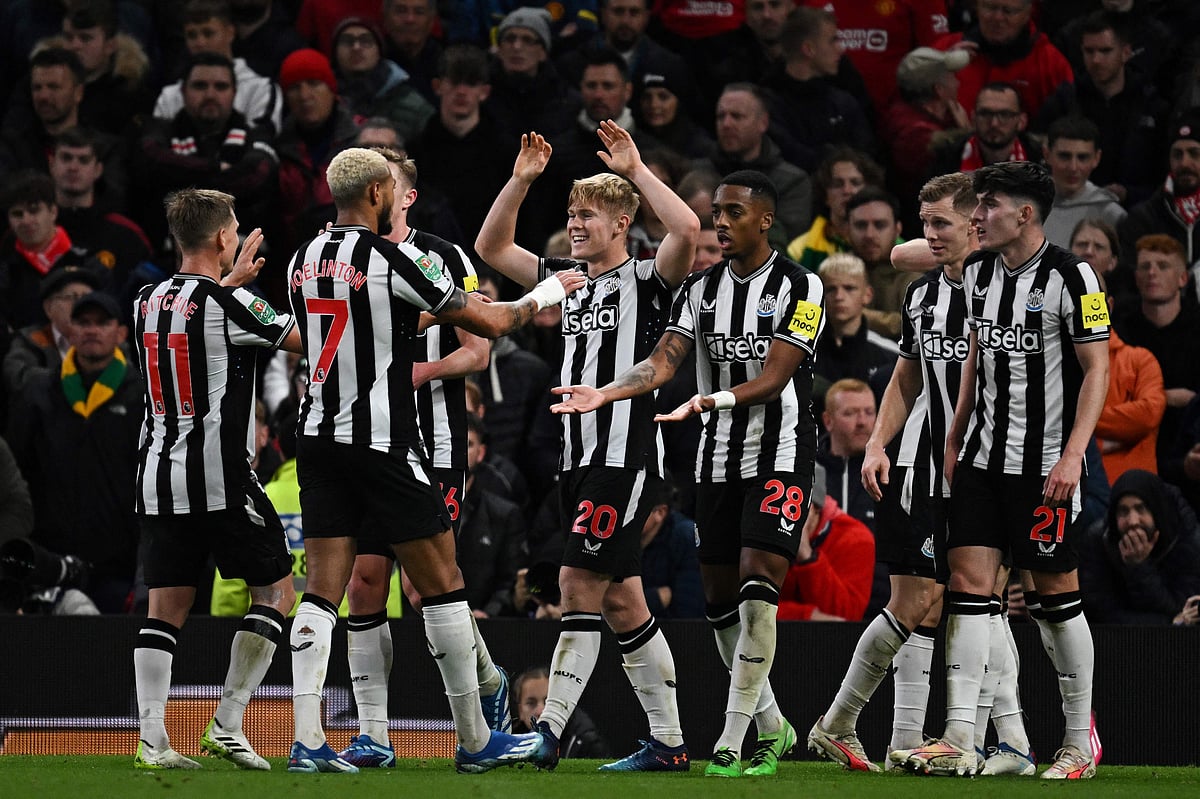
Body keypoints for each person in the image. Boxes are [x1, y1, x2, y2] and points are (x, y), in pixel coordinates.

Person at [285, 147, 583, 774]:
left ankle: (310, 739)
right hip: (385, 444)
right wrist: (552, 287)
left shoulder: (303, 259)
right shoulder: (393, 261)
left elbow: (319, 337)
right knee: (435, 583)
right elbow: (495, 323)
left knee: (333, 589)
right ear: (376, 195)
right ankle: (473, 740)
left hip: (330, 440)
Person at [549, 169, 826, 778]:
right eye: (717, 212)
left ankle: (732, 740)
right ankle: (775, 727)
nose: (721, 223)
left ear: (765, 220)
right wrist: (607, 393)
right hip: (714, 460)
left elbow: (777, 375)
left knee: (758, 583)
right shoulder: (699, 290)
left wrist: (715, 401)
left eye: (733, 212)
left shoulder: (801, 285)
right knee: (721, 604)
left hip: (779, 453)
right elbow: (662, 361)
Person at [475, 120, 698, 772]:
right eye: (572, 213)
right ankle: (670, 743)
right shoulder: (564, 277)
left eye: (590, 215)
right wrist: (520, 182)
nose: (576, 224)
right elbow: (493, 246)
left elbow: (686, 229)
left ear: (622, 223)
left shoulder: (650, 280)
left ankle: (546, 732)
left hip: (622, 457)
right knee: (624, 600)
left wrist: (635, 169)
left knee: (575, 583)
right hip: (578, 460)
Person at [890, 161, 1109, 780]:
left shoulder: (1073, 275)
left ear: (1025, 214)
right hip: (982, 459)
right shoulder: (980, 273)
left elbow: (1097, 369)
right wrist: (956, 435)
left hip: (1045, 465)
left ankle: (1076, 743)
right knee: (968, 585)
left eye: (988, 205)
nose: (977, 214)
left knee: (1055, 596)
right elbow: (974, 361)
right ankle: (960, 735)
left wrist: (1073, 455)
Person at [811, 171, 1032, 776]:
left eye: (941, 223)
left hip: (989, 467)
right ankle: (892, 732)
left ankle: (980, 739)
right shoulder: (921, 294)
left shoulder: (1007, 291)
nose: (927, 235)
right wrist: (879, 444)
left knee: (973, 598)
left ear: (975, 225)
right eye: (924, 222)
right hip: (919, 468)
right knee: (921, 601)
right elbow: (907, 374)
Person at [333, 147, 501, 770]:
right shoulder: (343, 259)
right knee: (365, 581)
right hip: (367, 443)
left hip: (433, 446)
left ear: (403, 196)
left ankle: (483, 700)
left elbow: (477, 351)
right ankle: (373, 733)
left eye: (388, 185)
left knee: (427, 582)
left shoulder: (445, 257)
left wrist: (415, 371)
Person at [129, 189, 300, 770]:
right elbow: (308, 341)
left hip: (157, 474)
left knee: (166, 606)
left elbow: (192, 323)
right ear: (224, 239)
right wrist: (245, 292)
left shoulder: (145, 302)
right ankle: (227, 722)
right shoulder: (236, 304)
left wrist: (230, 291)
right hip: (221, 476)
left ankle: (152, 742)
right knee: (277, 592)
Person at [7, 290, 143, 614]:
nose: (91, 330)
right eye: (83, 322)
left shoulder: (143, 395)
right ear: (70, 331)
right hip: (52, 566)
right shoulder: (39, 394)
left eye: (102, 322)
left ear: (121, 332)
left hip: (118, 567)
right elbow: (19, 473)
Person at [1112, 234, 1200, 470]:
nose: (1152, 272)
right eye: (1145, 266)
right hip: (1130, 443)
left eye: (1162, 266)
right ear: (1136, 277)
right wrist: (1166, 398)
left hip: (1188, 443)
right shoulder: (1120, 330)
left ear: (1182, 278)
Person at [698, 83, 813, 252]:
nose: (726, 124)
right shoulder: (698, 174)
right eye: (721, 116)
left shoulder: (792, 182)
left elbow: (784, 243)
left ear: (763, 122)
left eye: (736, 116)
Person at [762, 7, 876, 174]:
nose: (841, 48)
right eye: (832, 40)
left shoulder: (844, 101)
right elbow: (791, 158)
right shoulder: (765, 105)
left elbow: (868, 155)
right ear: (809, 49)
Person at [1079, 469, 1200, 624]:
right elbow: (1100, 613)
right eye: (1123, 511)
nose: (1133, 521)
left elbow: (1183, 607)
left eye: (1140, 508)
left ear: (1156, 510)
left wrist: (1141, 568)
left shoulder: (1187, 540)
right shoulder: (1098, 540)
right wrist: (1168, 623)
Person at [153, 0, 283, 136]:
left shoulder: (260, 89)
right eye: (192, 35)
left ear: (230, 33)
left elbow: (259, 143)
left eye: (208, 33)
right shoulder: (170, 96)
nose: (200, 43)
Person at [933, 0, 1073, 120]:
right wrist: (939, 69)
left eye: (1008, 11)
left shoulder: (1050, 63)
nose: (997, 18)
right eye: (990, 8)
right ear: (977, 7)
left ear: (1027, 14)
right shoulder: (946, 50)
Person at [778, 462, 875, 622]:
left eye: (796, 507)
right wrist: (808, 616)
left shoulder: (856, 539)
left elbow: (844, 618)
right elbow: (743, 606)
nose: (786, 517)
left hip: (832, 644)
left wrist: (807, 556)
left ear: (816, 508)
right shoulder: (761, 530)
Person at [813, 256, 899, 411]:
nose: (839, 297)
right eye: (830, 289)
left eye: (849, 288)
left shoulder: (891, 356)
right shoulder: (802, 353)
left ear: (867, 295)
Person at [330, 16, 433, 143]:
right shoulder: (325, 100)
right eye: (347, 41)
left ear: (379, 50)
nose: (356, 47)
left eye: (365, 41)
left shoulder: (409, 101)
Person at [785, 148, 884, 273]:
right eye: (838, 184)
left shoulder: (891, 243)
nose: (847, 190)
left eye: (855, 182)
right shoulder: (799, 250)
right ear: (825, 194)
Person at [1042, 116, 1126, 249]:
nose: (1073, 167)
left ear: (1096, 158)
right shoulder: (1025, 206)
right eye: (1064, 156)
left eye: (1083, 157)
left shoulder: (1112, 214)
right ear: (1047, 154)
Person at [929, 82, 1043, 178]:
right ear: (973, 118)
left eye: (1004, 114)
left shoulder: (1040, 160)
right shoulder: (946, 160)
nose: (994, 123)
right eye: (985, 114)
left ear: (1022, 121)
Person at [510, 665, 612, 758]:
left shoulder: (587, 743)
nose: (541, 711)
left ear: (563, 703)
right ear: (520, 711)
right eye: (531, 703)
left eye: (549, 701)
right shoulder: (509, 741)